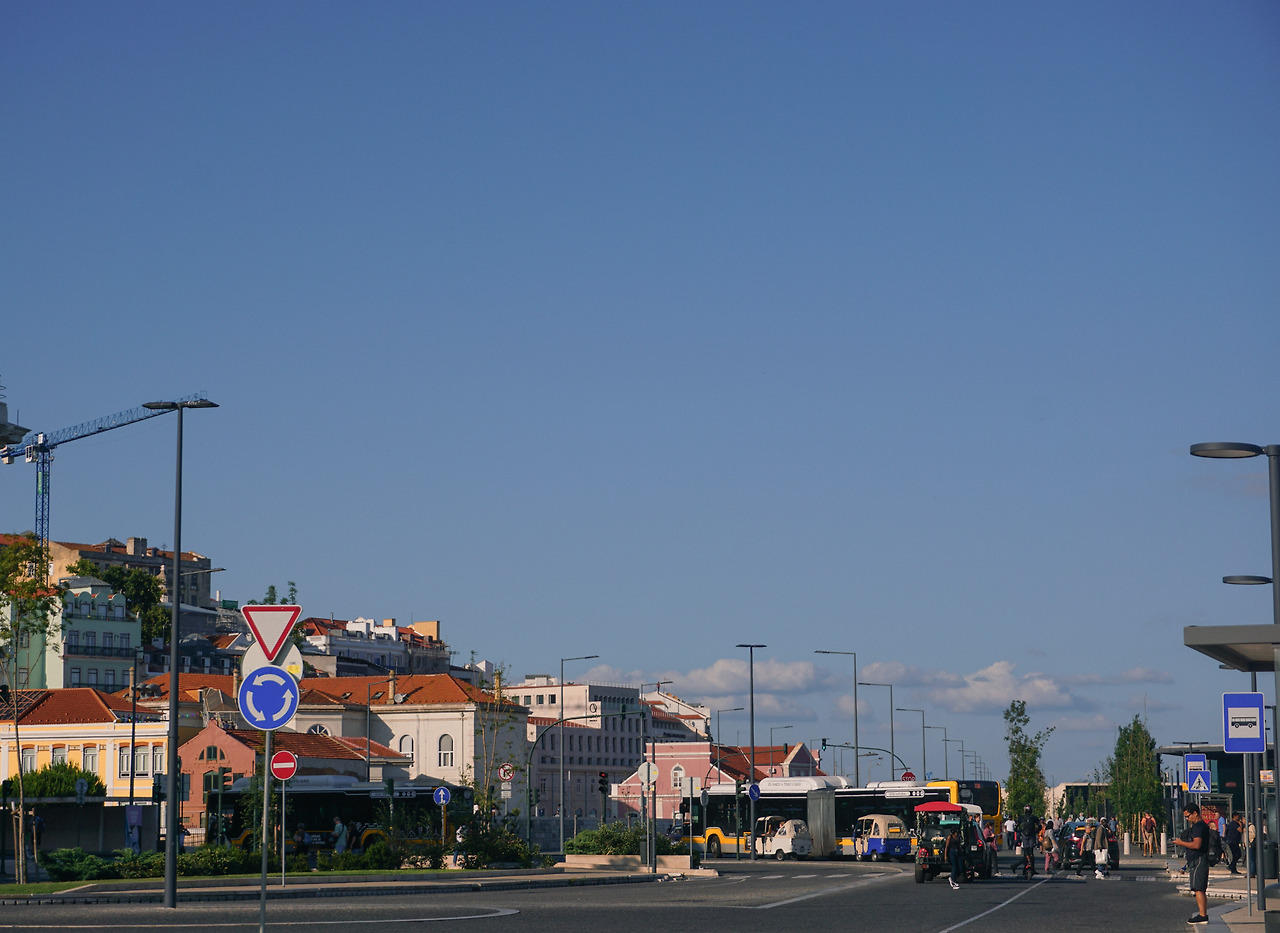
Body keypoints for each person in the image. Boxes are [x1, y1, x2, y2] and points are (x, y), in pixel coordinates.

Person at [1174, 802, 1210, 925]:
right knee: (1199, 888)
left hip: (1198, 859)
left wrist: (1181, 843)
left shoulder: (1198, 827)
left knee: (1198, 888)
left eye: (1188, 816)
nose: (1187, 819)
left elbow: (1196, 844)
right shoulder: (1201, 826)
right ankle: (1202, 914)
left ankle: (1202, 915)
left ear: (1195, 813)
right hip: (1198, 859)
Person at [944, 824, 963, 890]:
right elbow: (946, 847)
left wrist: (961, 853)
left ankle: (953, 878)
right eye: (956, 832)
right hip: (952, 852)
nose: (957, 833)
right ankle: (953, 881)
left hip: (958, 852)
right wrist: (945, 856)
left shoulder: (958, 837)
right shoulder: (950, 837)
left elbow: (959, 846)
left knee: (960, 867)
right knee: (954, 867)